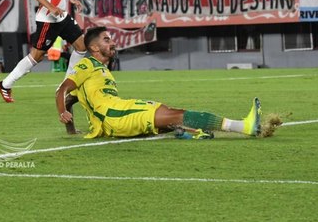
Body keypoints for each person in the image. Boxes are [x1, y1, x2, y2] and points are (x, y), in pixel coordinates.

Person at [55, 26, 262, 138]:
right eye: (106, 40)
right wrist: (61, 113)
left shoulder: (102, 70)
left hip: (118, 112)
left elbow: (71, 99)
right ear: (94, 48)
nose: (113, 42)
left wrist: (71, 130)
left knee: (170, 113)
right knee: (176, 115)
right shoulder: (86, 65)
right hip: (115, 116)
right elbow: (63, 91)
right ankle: (244, 126)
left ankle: (192, 133)